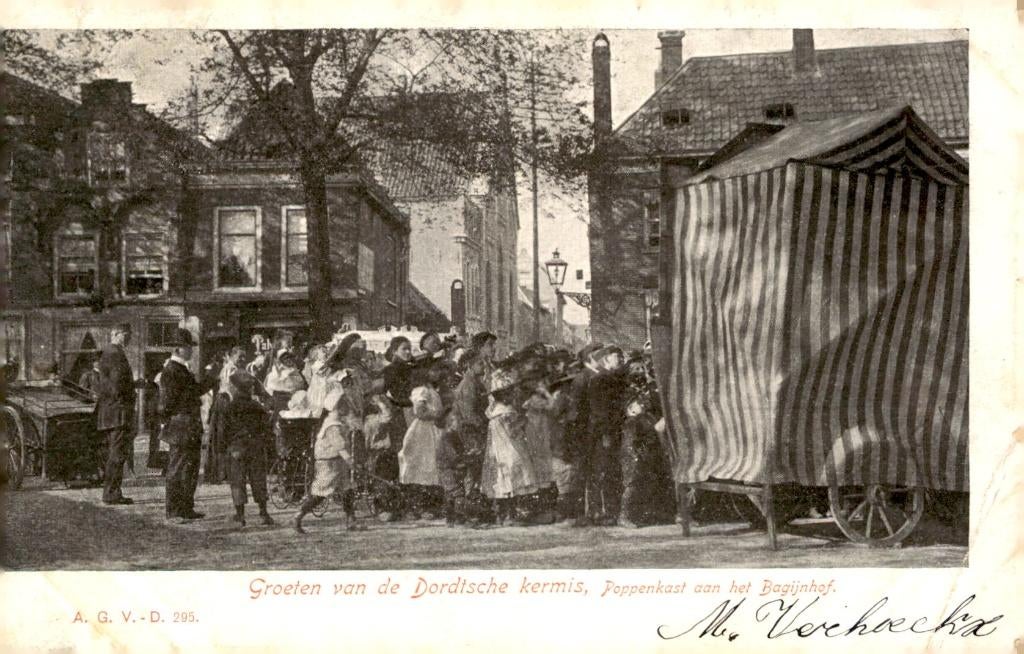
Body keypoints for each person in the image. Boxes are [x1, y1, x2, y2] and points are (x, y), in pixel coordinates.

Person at [294, 372, 366, 534]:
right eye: (344, 404)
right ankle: (299, 514)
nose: (347, 406)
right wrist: (350, 461)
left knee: (348, 489)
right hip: (328, 462)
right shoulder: (332, 424)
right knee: (321, 493)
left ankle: (351, 520)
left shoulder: (340, 421)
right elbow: (339, 445)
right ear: (336, 406)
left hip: (337, 461)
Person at [159, 329, 207, 523]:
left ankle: (186, 508)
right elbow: (168, 402)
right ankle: (173, 511)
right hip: (181, 424)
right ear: (178, 348)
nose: (191, 351)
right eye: (188, 348)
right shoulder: (171, 370)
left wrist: (211, 379)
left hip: (189, 424)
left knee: (190, 468)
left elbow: (194, 391)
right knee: (178, 468)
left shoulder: (182, 369)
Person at [481, 367, 539, 525]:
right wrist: (524, 420)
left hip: (499, 448)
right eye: (508, 392)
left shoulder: (495, 411)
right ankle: (510, 514)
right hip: (509, 447)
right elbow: (513, 431)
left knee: (504, 478)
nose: (512, 395)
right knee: (514, 473)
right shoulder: (505, 412)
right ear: (501, 395)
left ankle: (505, 513)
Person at [445, 348, 491, 525]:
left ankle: (470, 510)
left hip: (474, 431)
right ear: (469, 366)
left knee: (474, 471)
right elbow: (469, 413)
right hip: (469, 433)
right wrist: (485, 425)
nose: (483, 367)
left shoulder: (476, 382)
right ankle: (465, 512)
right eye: (480, 363)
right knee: (470, 471)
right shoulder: (468, 384)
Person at [224, 371, 275, 527]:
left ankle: (240, 516)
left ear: (236, 388)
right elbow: (266, 427)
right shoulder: (257, 406)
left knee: (237, 481)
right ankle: (263, 513)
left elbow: (225, 429)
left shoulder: (231, 406)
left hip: (237, 448)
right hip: (256, 446)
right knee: (258, 479)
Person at [620, 391, 677, 527]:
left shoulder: (648, 417)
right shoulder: (632, 422)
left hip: (648, 454)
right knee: (632, 485)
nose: (642, 404)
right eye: (638, 403)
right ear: (630, 409)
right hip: (634, 456)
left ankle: (647, 514)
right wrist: (636, 457)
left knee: (647, 484)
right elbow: (630, 442)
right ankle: (623, 516)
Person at [586, 344, 629, 526]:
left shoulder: (613, 378)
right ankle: (599, 512)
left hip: (612, 431)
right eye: (616, 356)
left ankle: (608, 511)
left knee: (610, 471)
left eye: (620, 357)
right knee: (603, 471)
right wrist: (605, 434)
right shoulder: (600, 379)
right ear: (606, 359)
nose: (620, 359)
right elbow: (600, 410)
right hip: (604, 433)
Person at [563, 343, 604, 526]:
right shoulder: (582, 379)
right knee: (581, 473)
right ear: (591, 358)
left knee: (595, 472)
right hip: (584, 434)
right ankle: (578, 514)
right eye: (599, 355)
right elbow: (575, 411)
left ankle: (594, 511)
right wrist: (578, 435)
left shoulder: (597, 376)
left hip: (594, 433)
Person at [96, 324, 137, 506]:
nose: (129, 338)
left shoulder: (110, 352)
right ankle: (111, 493)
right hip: (118, 411)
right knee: (117, 453)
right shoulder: (114, 353)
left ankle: (112, 492)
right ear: (116, 334)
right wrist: (132, 389)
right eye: (126, 335)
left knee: (116, 453)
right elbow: (117, 384)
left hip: (113, 410)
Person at [398, 365, 446, 518]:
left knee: (432, 464)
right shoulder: (421, 390)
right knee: (422, 463)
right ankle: (418, 506)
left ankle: (429, 505)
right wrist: (436, 414)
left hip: (432, 428)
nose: (437, 372)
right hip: (423, 430)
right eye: (433, 369)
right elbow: (419, 410)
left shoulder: (430, 389)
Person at [376, 336, 414, 520]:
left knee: (407, 458)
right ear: (394, 351)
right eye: (404, 349)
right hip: (397, 417)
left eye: (409, 349)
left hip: (410, 416)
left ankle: (403, 505)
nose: (408, 352)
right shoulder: (390, 370)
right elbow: (381, 392)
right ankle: (385, 505)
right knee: (392, 457)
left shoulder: (411, 369)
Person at [206, 345, 246, 483]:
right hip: (227, 403)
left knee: (221, 437)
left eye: (244, 357)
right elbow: (233, 389)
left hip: (223, 402)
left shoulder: (230, 368)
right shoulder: (232, 369)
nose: (242, 359)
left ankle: (221, 472)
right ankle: (224, 473)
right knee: (226, 437)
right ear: (232, 355)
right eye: (240, 356)